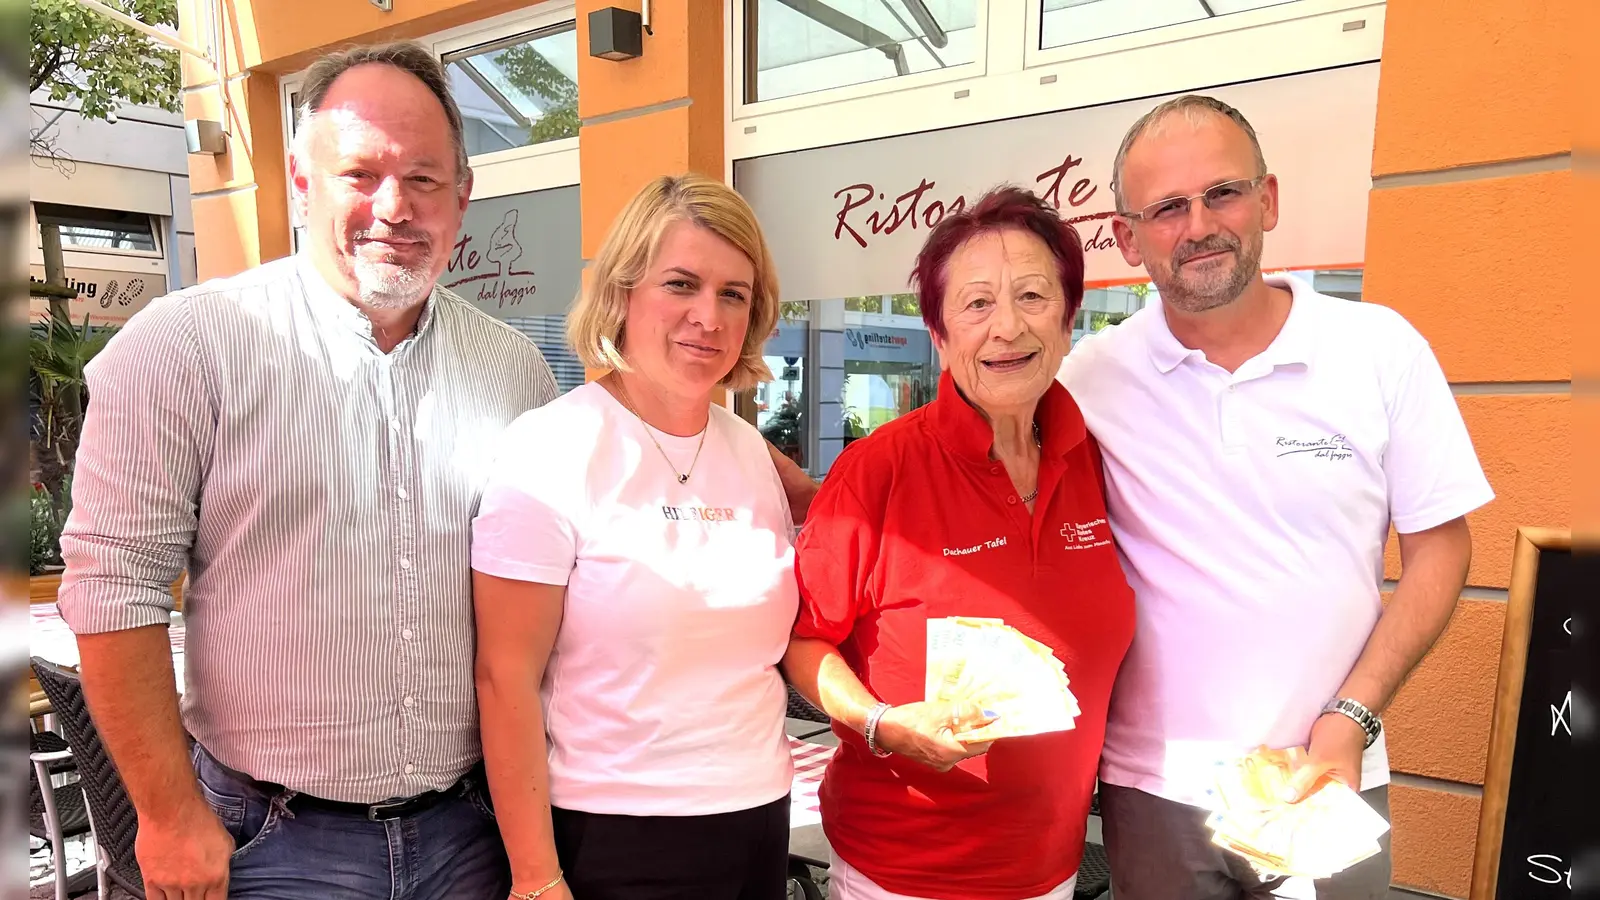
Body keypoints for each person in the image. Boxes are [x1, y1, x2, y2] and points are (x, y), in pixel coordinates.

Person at [57, 42, 557, 899]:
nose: (393, 208)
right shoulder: (187, 347)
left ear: (463, 198)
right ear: (301, 181)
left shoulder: (517, 371)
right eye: (359, 175)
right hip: (270, 845)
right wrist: (169, 816)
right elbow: (113, 589)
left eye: (425, 180)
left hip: (474, 835)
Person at [1056, 95, 1493, 899]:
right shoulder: (1087, 380)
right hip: (1153, 786)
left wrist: (1351, 718)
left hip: (1327, 775)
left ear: (1269, 201)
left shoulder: (1379, 349)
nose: (1199, 226)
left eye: (1222, 192)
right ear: (1126, 237)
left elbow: (1441, 545)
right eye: (1166, 208)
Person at [783, 186, 1136, 900]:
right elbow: (803, 641)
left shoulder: (1105, 462)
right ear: (940, 336)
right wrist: (881, 721)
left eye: (1033, 297)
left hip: (1054, 866)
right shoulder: (878, 471)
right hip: (903, 872)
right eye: (976, 304)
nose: (1006, 327)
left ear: (1069, 323)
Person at [469, 173, 799, 900]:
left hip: (758, 816)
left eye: (733, 294)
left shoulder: (748, 451)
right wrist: (534, 875)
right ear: (621, 294)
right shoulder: (554, 448)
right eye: (680, 284)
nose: (707, 317)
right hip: (615, 831)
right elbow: (505, 678)